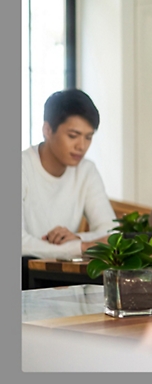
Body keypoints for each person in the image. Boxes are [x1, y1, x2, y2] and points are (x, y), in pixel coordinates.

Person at [22, 89, 116, 260]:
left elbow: (111, 232)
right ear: (48, 130)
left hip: (62, 271)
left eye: (88, 137)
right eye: (73, 136)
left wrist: (78, 239)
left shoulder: (86, 170)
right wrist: (80, 247)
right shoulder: (20, 167)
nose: (81, 146)